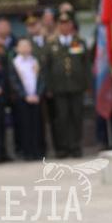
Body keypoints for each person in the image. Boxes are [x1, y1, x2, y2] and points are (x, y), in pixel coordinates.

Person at [43, 11, 90, 158]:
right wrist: (49, 87)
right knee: (61, 118)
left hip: (77, 87)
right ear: (58, 26)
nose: (65, 26)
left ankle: (76, 147)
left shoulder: (79, 42)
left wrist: (87, 85)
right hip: (59, 88)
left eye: (67, 23)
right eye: (62, 24)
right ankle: (63, 148)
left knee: (76, 117)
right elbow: (47, 68)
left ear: (71, 25)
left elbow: (86, 65)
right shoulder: (51, 44)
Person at [10, 39, 45, 160]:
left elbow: (41, 79)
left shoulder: (35, 61)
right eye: (22, 46)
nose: (25, 48)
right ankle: (27, 152)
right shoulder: (15, 62)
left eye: (27, 45)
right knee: (24, 125)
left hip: (35, 98)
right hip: (22, 99)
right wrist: (25, 95)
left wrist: (38, 94)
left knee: (36, 125)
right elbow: (14, 81)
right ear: (17, 48)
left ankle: (37, 150)